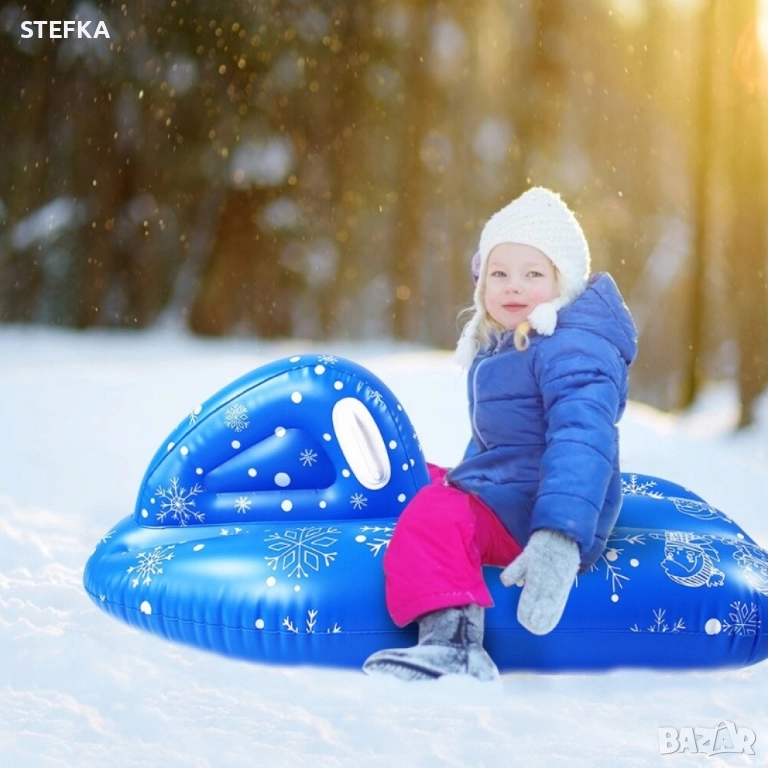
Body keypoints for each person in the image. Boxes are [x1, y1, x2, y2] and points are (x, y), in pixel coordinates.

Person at [363, 186, 638, 681]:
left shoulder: (572, 347)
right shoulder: (512, 344)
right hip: (517, 495)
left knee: (436, 511)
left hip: (543, 515)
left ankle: (455, 647)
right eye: (499, 273)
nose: (513, 286)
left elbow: (584, 439)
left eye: (533, 274)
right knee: (419, 479)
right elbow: (499, 448)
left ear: (564, 283)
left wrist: (557, 537)